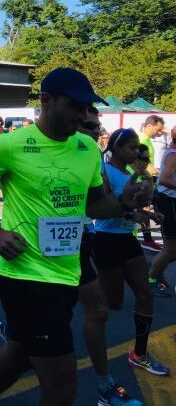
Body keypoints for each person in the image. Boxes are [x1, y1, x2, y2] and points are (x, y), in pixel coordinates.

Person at [0, 68, 154, 406]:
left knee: (19, 353)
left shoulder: (87, 149)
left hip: (68, 270)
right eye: (75, 106)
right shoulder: (10, 145)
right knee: (62, 388)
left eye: (88, 107)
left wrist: (123, 201)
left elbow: (92, 204)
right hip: (26, 275)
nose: (84, 115)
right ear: (46, 101)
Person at [93, 129, 169, 376]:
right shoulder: (103, 172)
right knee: (112, 303)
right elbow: (100, 209)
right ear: (115, 148)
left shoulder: (131, 174)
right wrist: (130, 212)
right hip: (105, 240)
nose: (136, 152)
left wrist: (148, 214)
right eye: (131, 148)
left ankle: (139, 354)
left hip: (126, 240)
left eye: (137, 148)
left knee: (145, 295)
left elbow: (132, 207)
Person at [149, 126, 176, 297]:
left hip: (172, 200)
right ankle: (151, 278)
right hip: (168, 201)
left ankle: (156, 268)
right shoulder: (173, 154)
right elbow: (164, 179)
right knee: (171, 247)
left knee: (172, 248)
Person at [138, 115, 165, 252]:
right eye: (158, 129)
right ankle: (147, 239)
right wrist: (148, 168)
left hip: (148, 178)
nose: (159, 133)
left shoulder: (147, 139)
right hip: (141, 179)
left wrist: (153, 168)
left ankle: (147, 239)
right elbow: (137, 159)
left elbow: (147, 160)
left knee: (146, 208)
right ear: (149, 126)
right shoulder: (141, 139)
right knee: (144, 208)